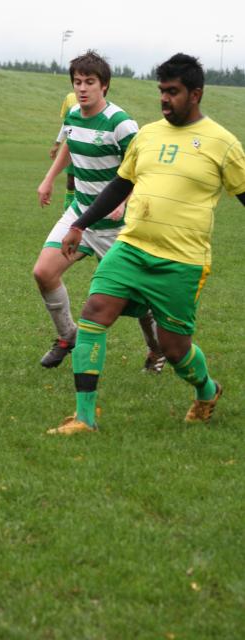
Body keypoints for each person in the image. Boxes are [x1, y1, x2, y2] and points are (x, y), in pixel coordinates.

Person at [47, 53, 245, 435]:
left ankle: (206, 390)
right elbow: (122, 183)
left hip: (181, 261)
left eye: (173, 92)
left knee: (174, 350)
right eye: (161, 91)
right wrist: (80, 224)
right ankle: (84, 418)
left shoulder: (223, 144)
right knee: (94, 312)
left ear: (196, 94)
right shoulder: (149, 135)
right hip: (132, 246)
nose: (164, 99)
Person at [34, 51, 165, 373]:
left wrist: (124, 199)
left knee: (138, 302)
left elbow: (142, 166)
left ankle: (157, 351)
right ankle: (68, 336)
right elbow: (69, 144)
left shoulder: (121, 124)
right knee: (44, 272)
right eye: (77, 82)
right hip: (80, 215)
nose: (82, 88)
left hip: (117, 227)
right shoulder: (74, 116)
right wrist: (49, 179)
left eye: (89, 82)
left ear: (104, 86)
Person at [48, 92, 77, 211]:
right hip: (71, 146)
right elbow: (66, 124)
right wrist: (57, 144)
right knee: (71, 181)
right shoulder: (70, 98)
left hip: (89, 148)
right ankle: (67, 212)